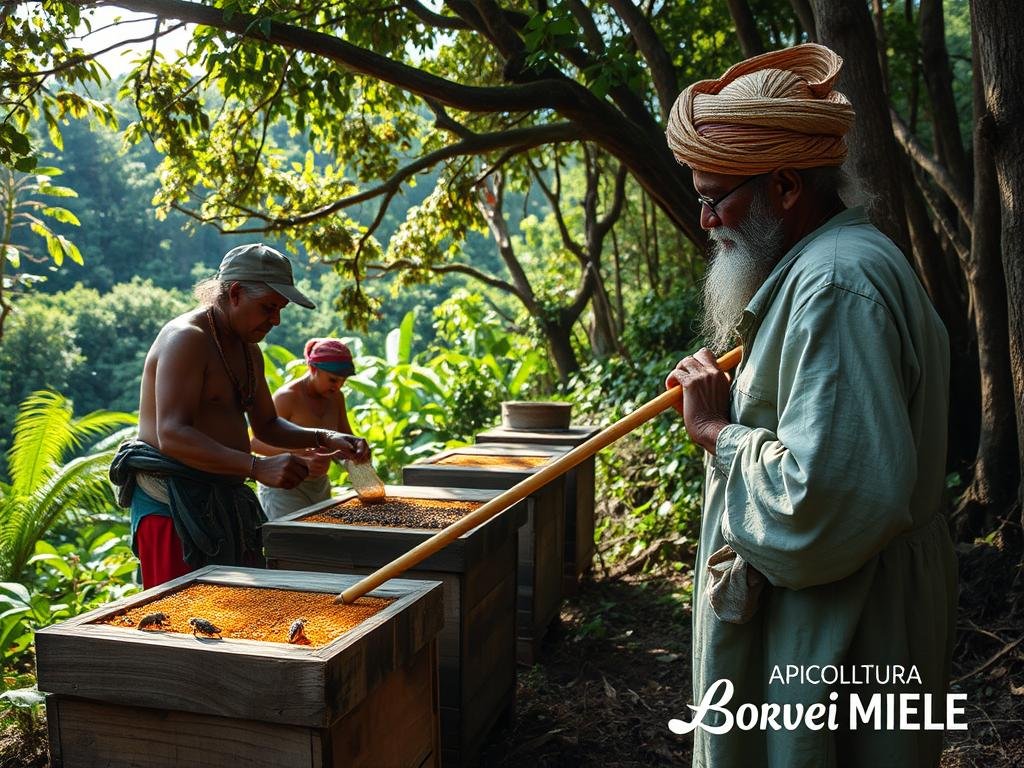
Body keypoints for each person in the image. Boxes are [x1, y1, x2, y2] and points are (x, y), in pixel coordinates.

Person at [662, 44, 956, 766]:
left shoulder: (833, 287)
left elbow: (824, 496)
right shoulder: (820, 271)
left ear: (787, 183)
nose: (705, 221)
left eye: (714, 197)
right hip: (825, 624)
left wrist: (718, 432)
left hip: (842, 632)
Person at [110, 243, 369, 588]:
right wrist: (257, 467)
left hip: (223, 501)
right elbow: (171, 433)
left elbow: (268, 425)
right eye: (268, 308)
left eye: (280, 310)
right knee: (179, 623)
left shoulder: (248, 350)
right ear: (234, 294)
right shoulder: (187, 339)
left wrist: (323, 437)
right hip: (172, 508)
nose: (275, 320)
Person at [251, 338, 362, 519]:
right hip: (283, 488)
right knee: (294, 544)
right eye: (333, 380)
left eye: (343, 381)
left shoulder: (336, 397)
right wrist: (299, 455)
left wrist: (356, 451)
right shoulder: (287, 397)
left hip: (319, 486)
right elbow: (255, 443)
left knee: (319, 543)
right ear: (313, 369)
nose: (338, 386)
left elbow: (344, 440)